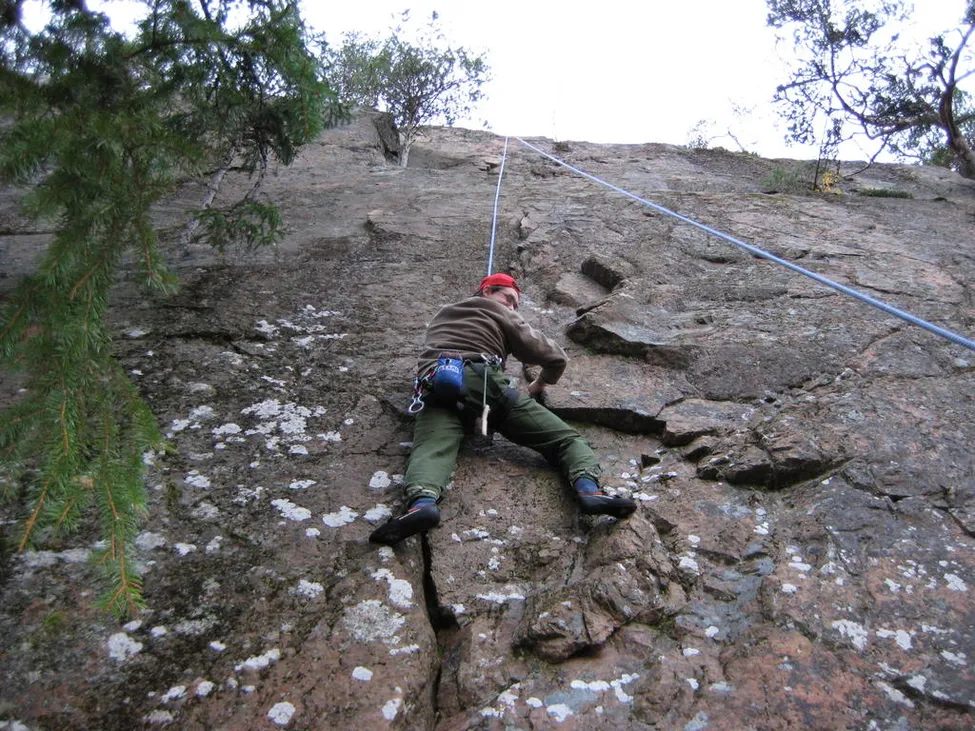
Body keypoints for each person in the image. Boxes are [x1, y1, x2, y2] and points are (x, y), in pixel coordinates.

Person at [369, 273, 636, 545]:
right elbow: (555, 357)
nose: (511, 307)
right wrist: (538, 385)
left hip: (437, 386)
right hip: (482, 381)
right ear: (487, 292)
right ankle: (589, 490)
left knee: (430, 448)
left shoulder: (443, 314)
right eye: (508, 298)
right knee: (566, 440)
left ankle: (422, 505)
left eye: (515, 304)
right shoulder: (495, 310)